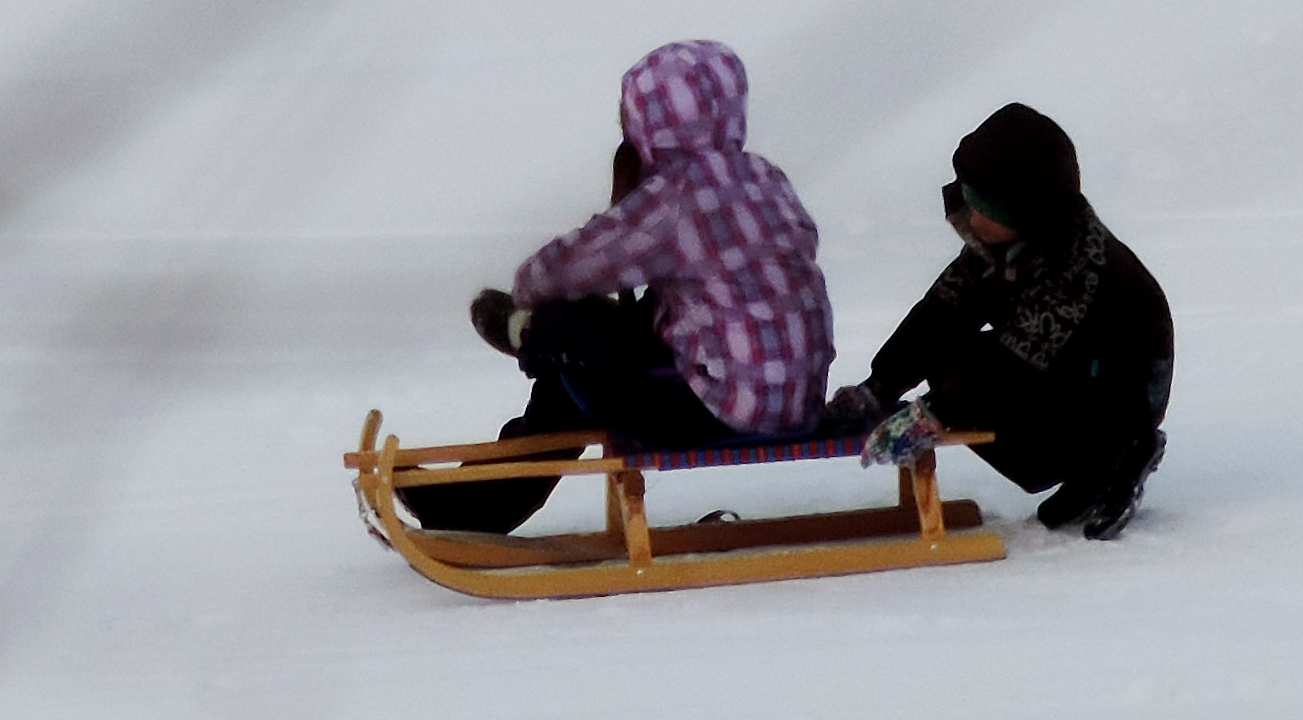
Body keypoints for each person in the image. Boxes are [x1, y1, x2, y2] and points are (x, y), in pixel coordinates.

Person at [408, 38, 838, 537]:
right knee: (593, 359)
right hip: (799, 401)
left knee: (568, 352)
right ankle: (478, 498)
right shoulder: (766, 178)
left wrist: (531, 294)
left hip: (722, 411)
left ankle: (524, 360)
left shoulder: (674, 197)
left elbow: (577, 263)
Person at [849, 101, 1172, 537]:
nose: (971, 216)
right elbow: (942, 314)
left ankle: (1119, 454)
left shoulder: (1076, 264)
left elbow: (1015, 366)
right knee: (954, 361)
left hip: (1118, 388)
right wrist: (880, 386)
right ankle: (1090, 470)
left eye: (984, 208)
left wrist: (933, 413)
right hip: (1058, 369)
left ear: (1026, 211)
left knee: (984, 390)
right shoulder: (1000, 247)